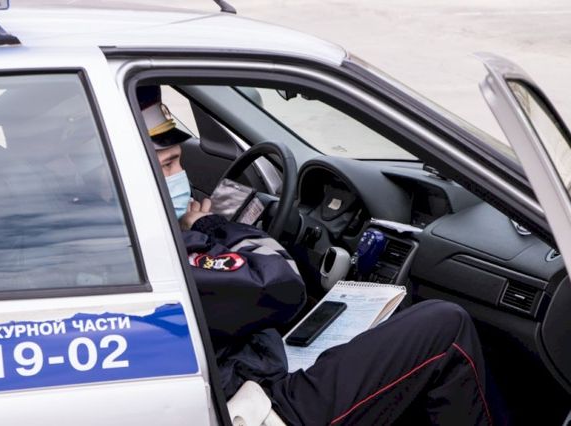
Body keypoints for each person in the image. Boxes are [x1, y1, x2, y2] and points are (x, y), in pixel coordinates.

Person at [138, 85, 493, 425]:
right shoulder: (159, 248)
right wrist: (214, 226)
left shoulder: (128, 231)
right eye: (167, 165)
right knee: (445, 324)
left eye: (179, 161)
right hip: (254, 404)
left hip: (237, 373)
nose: (180, 175)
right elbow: (280, 284)